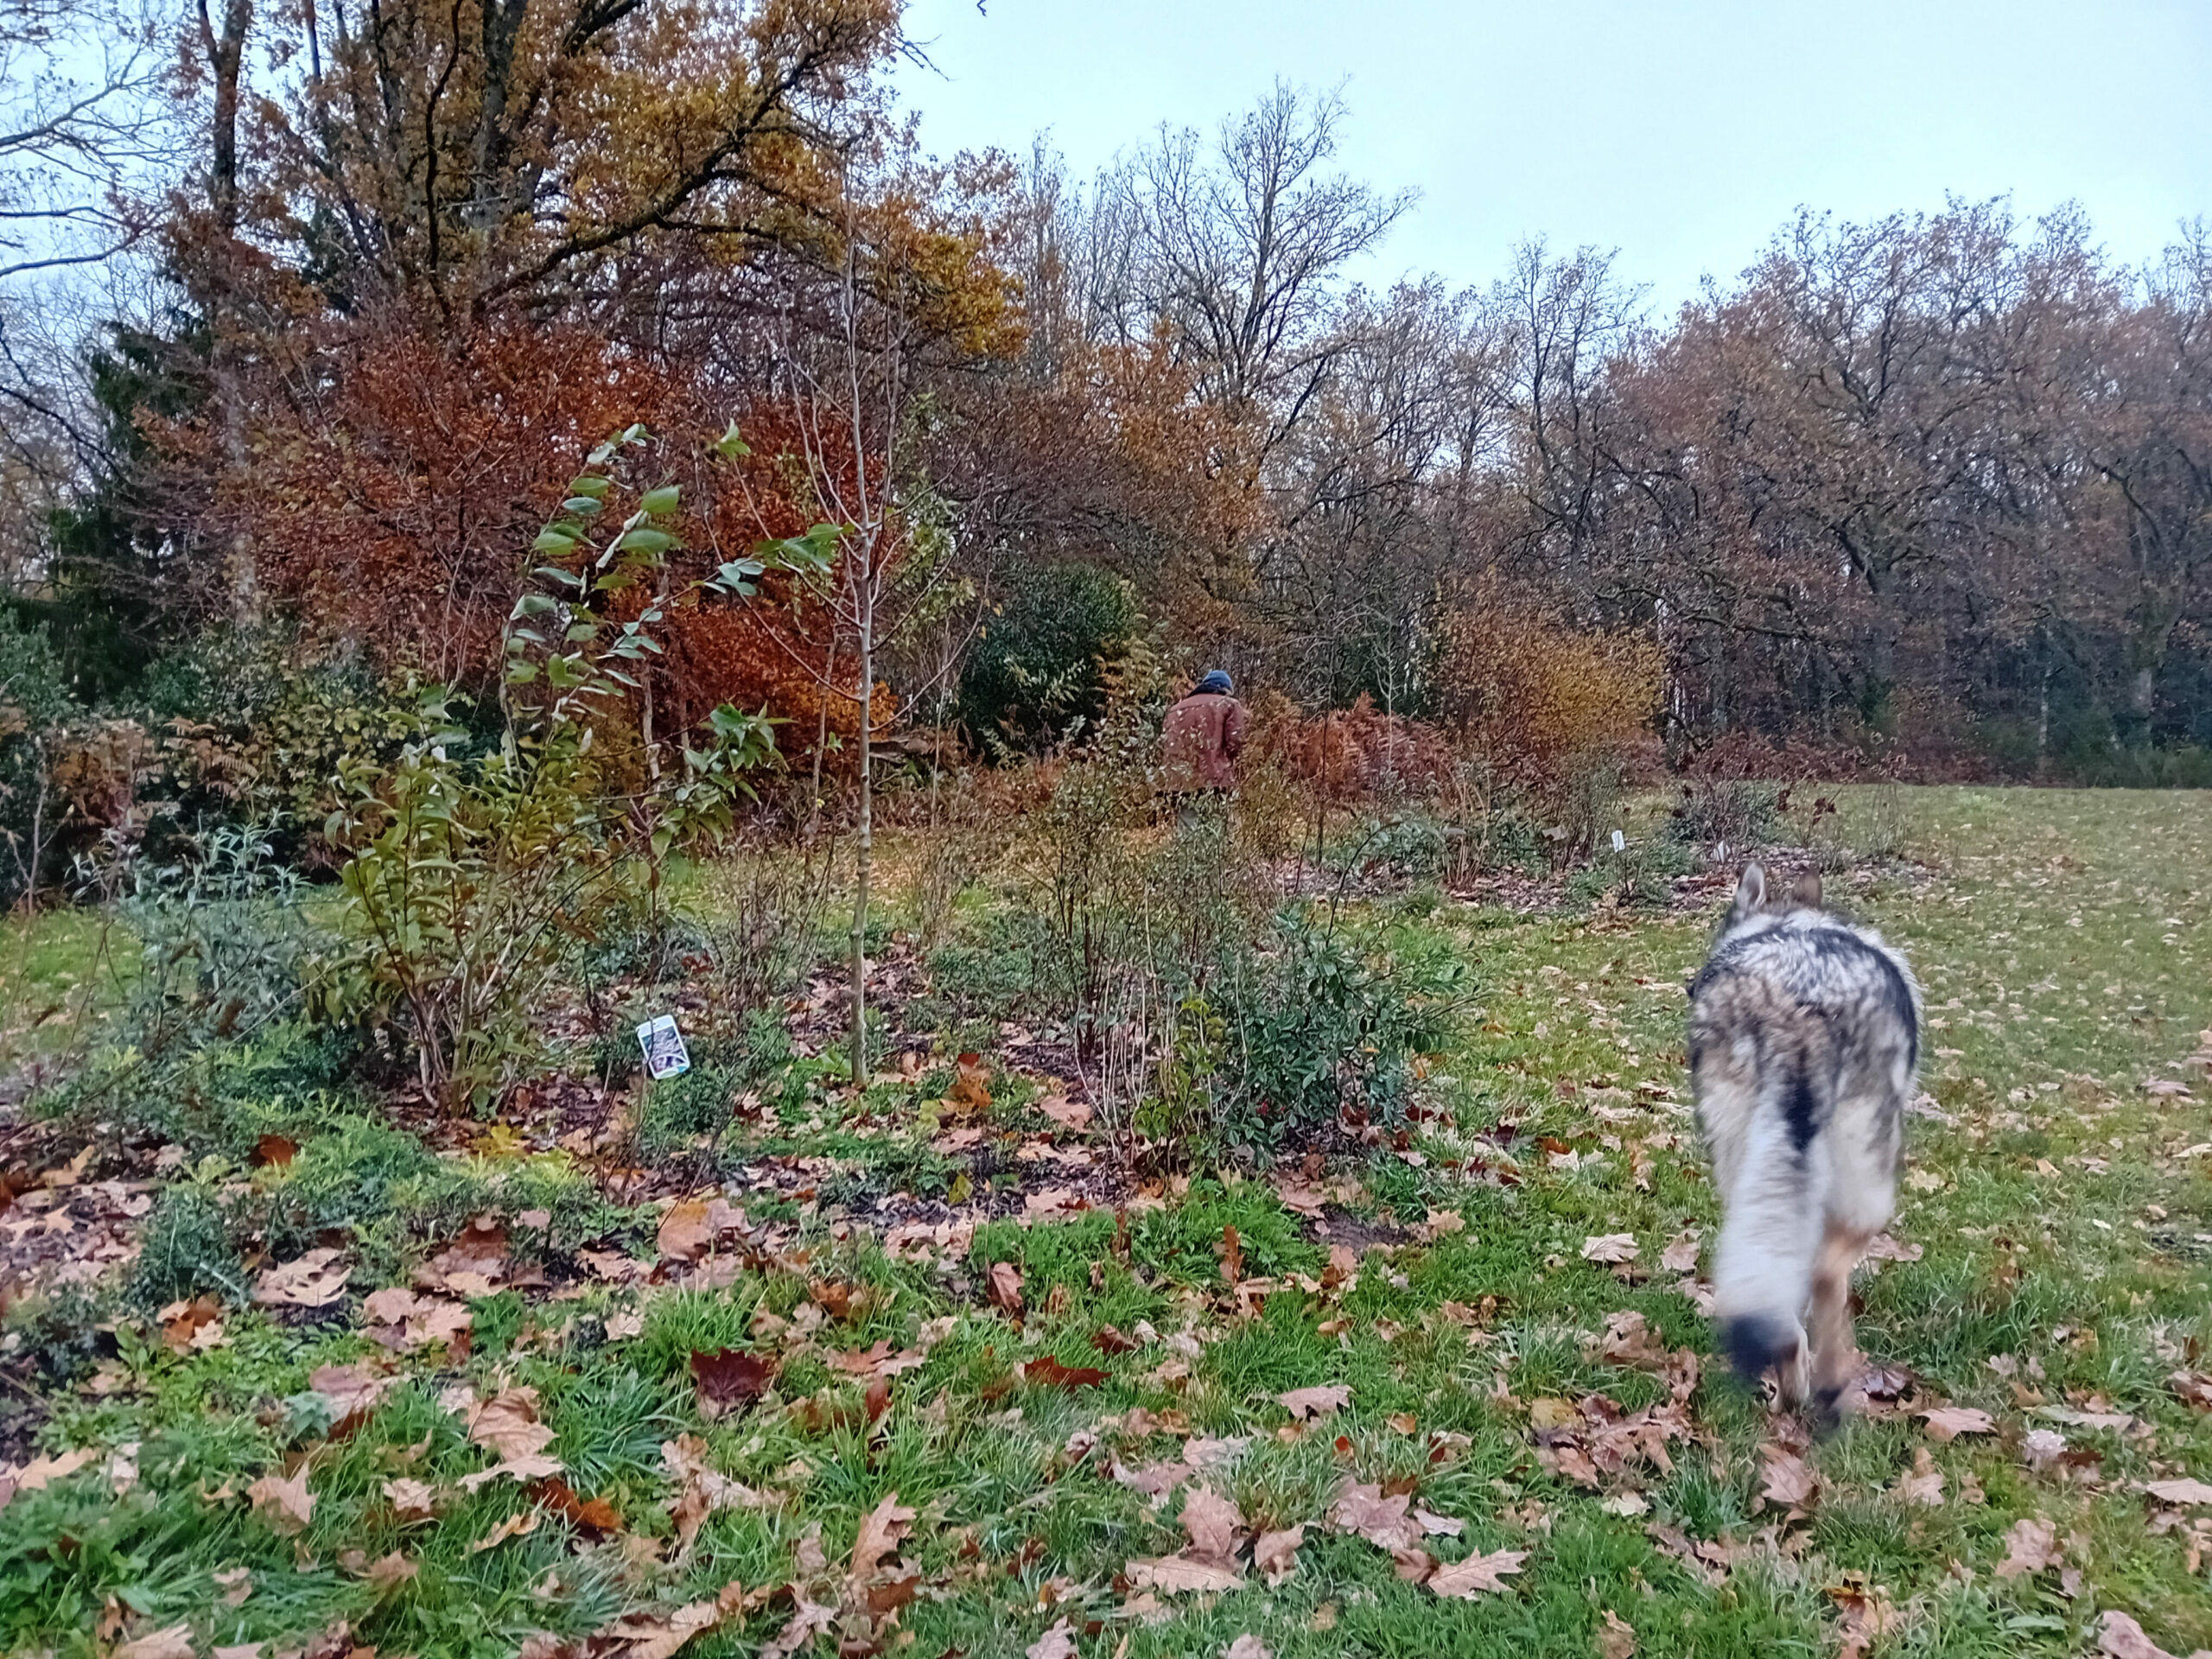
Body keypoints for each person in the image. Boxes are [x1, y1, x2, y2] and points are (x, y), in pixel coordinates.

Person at [1160, 669, 1248, 828]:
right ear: (1225, 688)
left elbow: (1167, 745)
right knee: (1219, 830)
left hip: (1180, 783)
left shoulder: (1175, 710)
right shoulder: (1229, 705)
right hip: (1215, 779)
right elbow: (1236, 742)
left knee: (1187, 832)